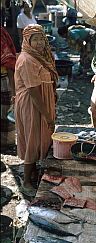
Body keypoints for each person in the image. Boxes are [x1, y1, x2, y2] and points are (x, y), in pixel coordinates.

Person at [14, 24, 58, 197]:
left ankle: (33, 173)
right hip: (33, 104)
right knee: (33, 139)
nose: (40, 43)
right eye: (35, 39)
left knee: (41, 138)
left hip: (42, 102)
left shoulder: (40, 57)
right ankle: (25, 181)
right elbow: (33, 91)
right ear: (27, 40)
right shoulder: (26, 59)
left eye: (41, 39)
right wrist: (48, 116)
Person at [1, 27, 16, 151]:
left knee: (6, 112)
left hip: (3, 79)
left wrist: (13, 90)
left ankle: (6, 144)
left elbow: (10, 63)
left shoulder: (2, 34)